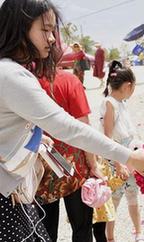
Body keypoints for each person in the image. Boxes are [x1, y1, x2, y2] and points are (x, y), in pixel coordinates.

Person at [0, 1, 144, 241]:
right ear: (21, 26)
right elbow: (71, 128)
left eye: (53, 31)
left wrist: (36, 136)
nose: (52, 39)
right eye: (45, 29)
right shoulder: (12, 75)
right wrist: (128, 156)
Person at [36, 70, 105, 242]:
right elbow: (83, 127)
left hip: (41, 167)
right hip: (74, 167)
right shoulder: (69, 80)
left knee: (45, 232)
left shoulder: (27, 81)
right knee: (82, 228)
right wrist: (93, 164)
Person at [100, 68, 144, 242]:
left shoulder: (121, 102)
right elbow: (108, 137)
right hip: (117, 156)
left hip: (129, 154)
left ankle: (138, 232)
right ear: (128, 86)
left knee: (133, 194)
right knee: (114, 199)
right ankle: (110, 238)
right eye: (134, 87)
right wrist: (118, 163)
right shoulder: (109, 103)